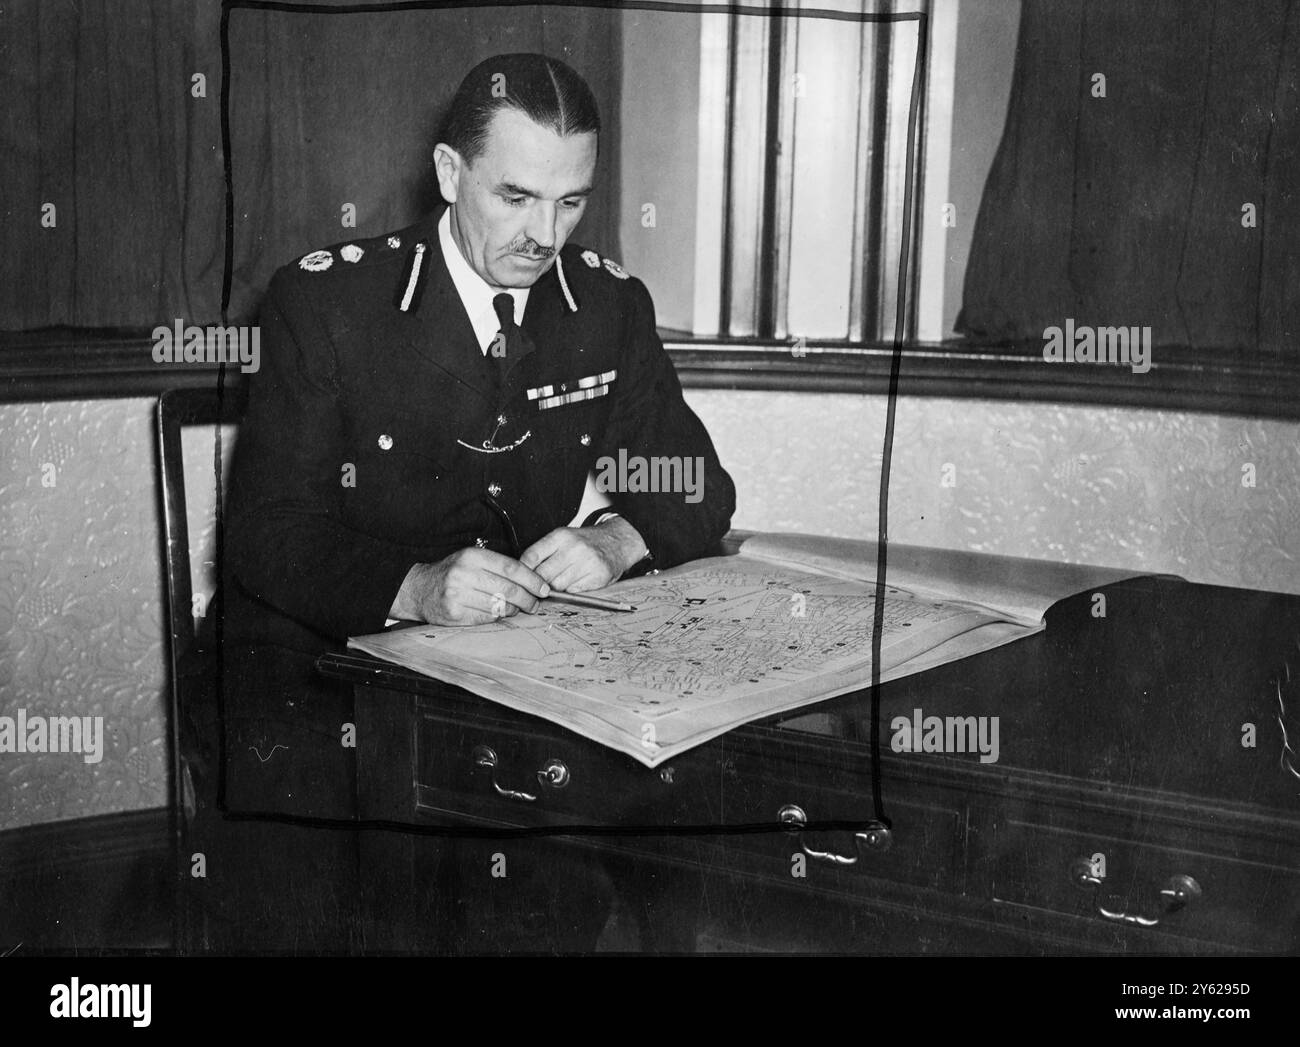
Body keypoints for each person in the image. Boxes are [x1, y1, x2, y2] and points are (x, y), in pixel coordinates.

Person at [191, 52, 735, 953]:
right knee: (324, 906)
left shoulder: (605, 306)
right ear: (449, 175)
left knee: (551, 888)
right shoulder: (325, 302)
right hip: (307, 661)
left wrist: (621, 537)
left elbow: (696, 482)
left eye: (571, 201)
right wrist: (413, 585)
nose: (543, 233)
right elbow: (265, 534)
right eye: (515, 196)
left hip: (495, 677)